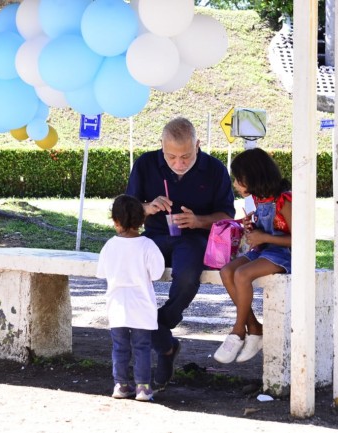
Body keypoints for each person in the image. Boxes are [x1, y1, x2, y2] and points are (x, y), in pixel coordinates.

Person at [125, 117, 235, 388]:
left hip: (193, 239)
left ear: (198, 145)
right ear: (161, 146)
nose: (179, 163)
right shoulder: (145, 164)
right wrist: (148, 207)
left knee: (187, 276)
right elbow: (127, 210)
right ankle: (165, 344)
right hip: (154, 236)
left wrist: (198, 221)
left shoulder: (214, 169)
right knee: (128, 276)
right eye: (171, 156)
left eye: (186, 156)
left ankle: (160, 323)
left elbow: (227, 215)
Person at [213, 148, 292, 364]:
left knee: (242, 274)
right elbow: (263, 230)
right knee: (227, 271)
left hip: (284, 254)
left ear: (254, 176)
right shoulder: (259, 199)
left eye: (238, 179)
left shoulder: (285, 200)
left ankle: (238, 331)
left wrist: (264, 236)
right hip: (264, 250)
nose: (236, 185)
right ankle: (255, 328)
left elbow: (299, 240)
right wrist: (252, 227)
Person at [95, 194, 165, 402]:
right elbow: (157, 273)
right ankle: (143, 387)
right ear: (141, 220)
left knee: (120, 347)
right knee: (142, 347)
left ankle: (121, 385)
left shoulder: (109, 246)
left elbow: (102, 272)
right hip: (142, 305)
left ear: (115, 221)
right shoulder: (148, 245)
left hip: (117, 305)